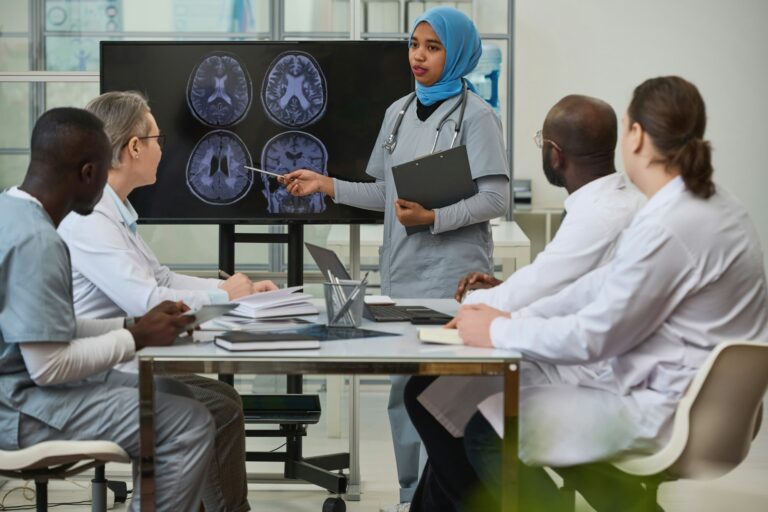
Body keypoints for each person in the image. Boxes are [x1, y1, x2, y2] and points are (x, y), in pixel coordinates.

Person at [408, 76, 768, 511]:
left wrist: (500, 330)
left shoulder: (668, 225)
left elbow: (593, 336)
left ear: (635, 136)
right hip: (693, 400)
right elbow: (597, 287)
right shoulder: (714, 205)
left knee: (490, 428)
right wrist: (507, 321)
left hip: (667, 409)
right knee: (486, 405)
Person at [281, 7, 509, 510]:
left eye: (433, 47)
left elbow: (496, 200)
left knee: (442, 399)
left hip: (452, 276)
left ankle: (442, 497)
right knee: (402, 396)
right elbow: (386, 192)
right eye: (414, 44)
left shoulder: (479, 117)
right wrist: (327, 185)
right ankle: (413, 496)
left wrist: (434, 218)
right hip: (402, 274)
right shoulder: (398, 112)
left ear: (459, 54)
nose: (419, 56)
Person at [57, 91, 272, 512]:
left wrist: (233, 294)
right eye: (157, 139)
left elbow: (161, 278)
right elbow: (146, 300)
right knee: (216, 407)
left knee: (224, 402)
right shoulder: (89, 219)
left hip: (122, 365)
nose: (163, 150)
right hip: (97, 377)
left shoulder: (113, 211)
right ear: (134, 147)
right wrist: (220, 296)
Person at [0, 107, 215, 512]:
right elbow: (49, 366)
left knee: (175, 395)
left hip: (18, 392)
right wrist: (136, 337)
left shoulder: (10, 213)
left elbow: (46, 327)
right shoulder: (39, 241)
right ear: (87, 174)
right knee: (187, 424)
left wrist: (127, 324)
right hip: (20, 408)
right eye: (103, 173)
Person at [415, 94, 645, 441]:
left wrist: (467, 310)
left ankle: (480, 495)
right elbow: (567, 282)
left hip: (586, 370)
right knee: (440, 398)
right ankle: (434, 500)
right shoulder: (620, 200)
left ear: (555, 153)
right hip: (585, 350)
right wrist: (504, 289)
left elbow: (544, 282)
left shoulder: (599, 216)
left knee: (436, 397)